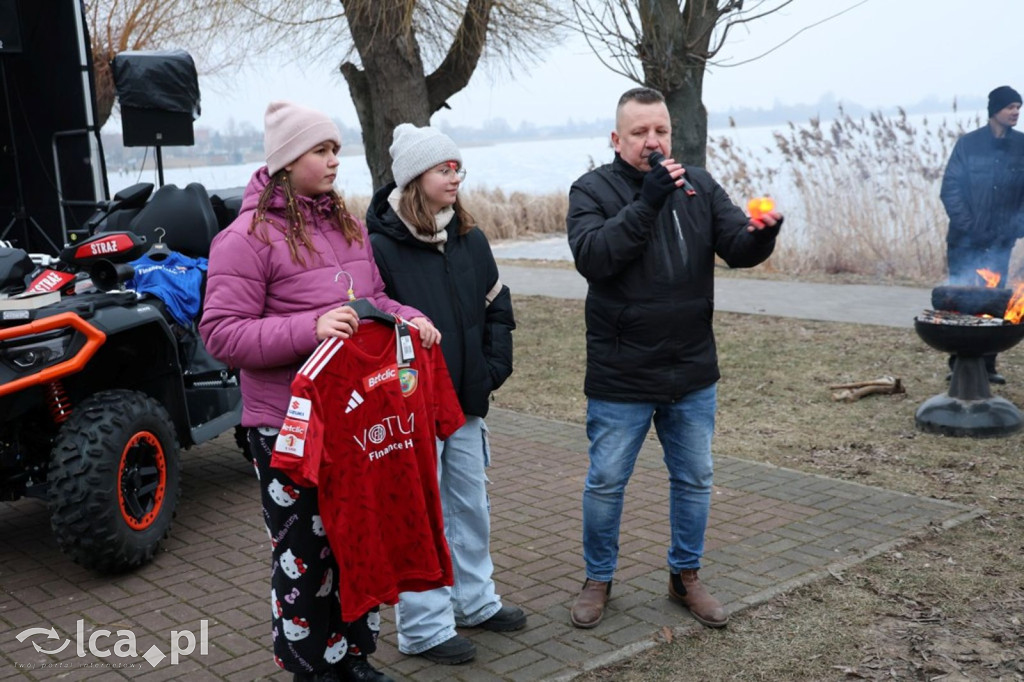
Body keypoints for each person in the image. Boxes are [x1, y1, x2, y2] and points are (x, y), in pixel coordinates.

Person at [200, 101, 440, 682]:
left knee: (359, 542)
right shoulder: (244, 239)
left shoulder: (348, 224)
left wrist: (408, 317)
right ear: (286, 161)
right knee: (305, 558)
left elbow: (373, 301)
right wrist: (311, 328)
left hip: (354, 421)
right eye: (321, 150)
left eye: (336, 149)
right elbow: (221, 335)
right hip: (287, 428)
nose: (335, 160)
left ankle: (355, 658)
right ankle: (314, 669)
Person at [565, 87, 782, 630]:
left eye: (660, 130)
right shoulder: (591, 189)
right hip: (622, 373)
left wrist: (762, 235)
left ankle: (685, 576)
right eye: (639, 132)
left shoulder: (698, 185)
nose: (652, 141)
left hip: (691, 370)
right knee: (606, 482)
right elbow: (595, 258)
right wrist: (648, 200)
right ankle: (598, 579)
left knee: (695, 479)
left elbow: (736, 247)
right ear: (616, 139)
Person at [364, 123, 523, 664]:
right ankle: (424, 627)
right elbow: (375, 325)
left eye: (458, 167)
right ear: (414, 178)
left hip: (467, 401)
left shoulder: (469, 237)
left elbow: (497, 305)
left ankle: (474, 601)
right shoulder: (380, 247)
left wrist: (491, 368)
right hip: (412, 411)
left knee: (470, 505)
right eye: (443, 168)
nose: (456, 177)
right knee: (418, 514)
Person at [940, 85, 1024, 384]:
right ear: (995, 110)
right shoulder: (969, 145)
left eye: (1018, 107)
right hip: (964, 240)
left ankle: (988, 365)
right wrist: (971, 228)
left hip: (1000, 242)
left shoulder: (1022, 146)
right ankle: (959, 363)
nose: (1016, 112)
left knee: (992, 301)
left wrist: (1016, 228)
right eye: (1010, 107)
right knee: (961, 300)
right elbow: (950, 189)